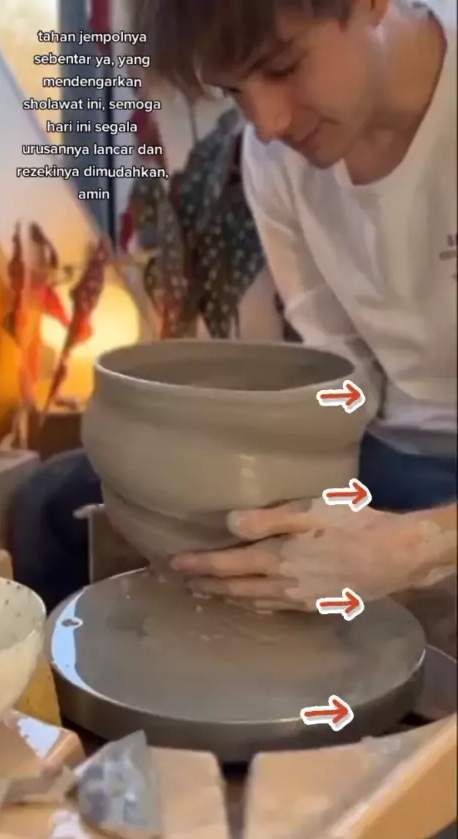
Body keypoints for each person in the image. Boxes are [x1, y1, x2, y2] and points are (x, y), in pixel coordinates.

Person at [136, 0, 457, 610]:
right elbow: (340, 370)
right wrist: (267, 449)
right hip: (384, 451)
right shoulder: (273, 159)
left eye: (283, 67)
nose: (267, 123)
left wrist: (413, 548)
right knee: (58, 500)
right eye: (235, 91)